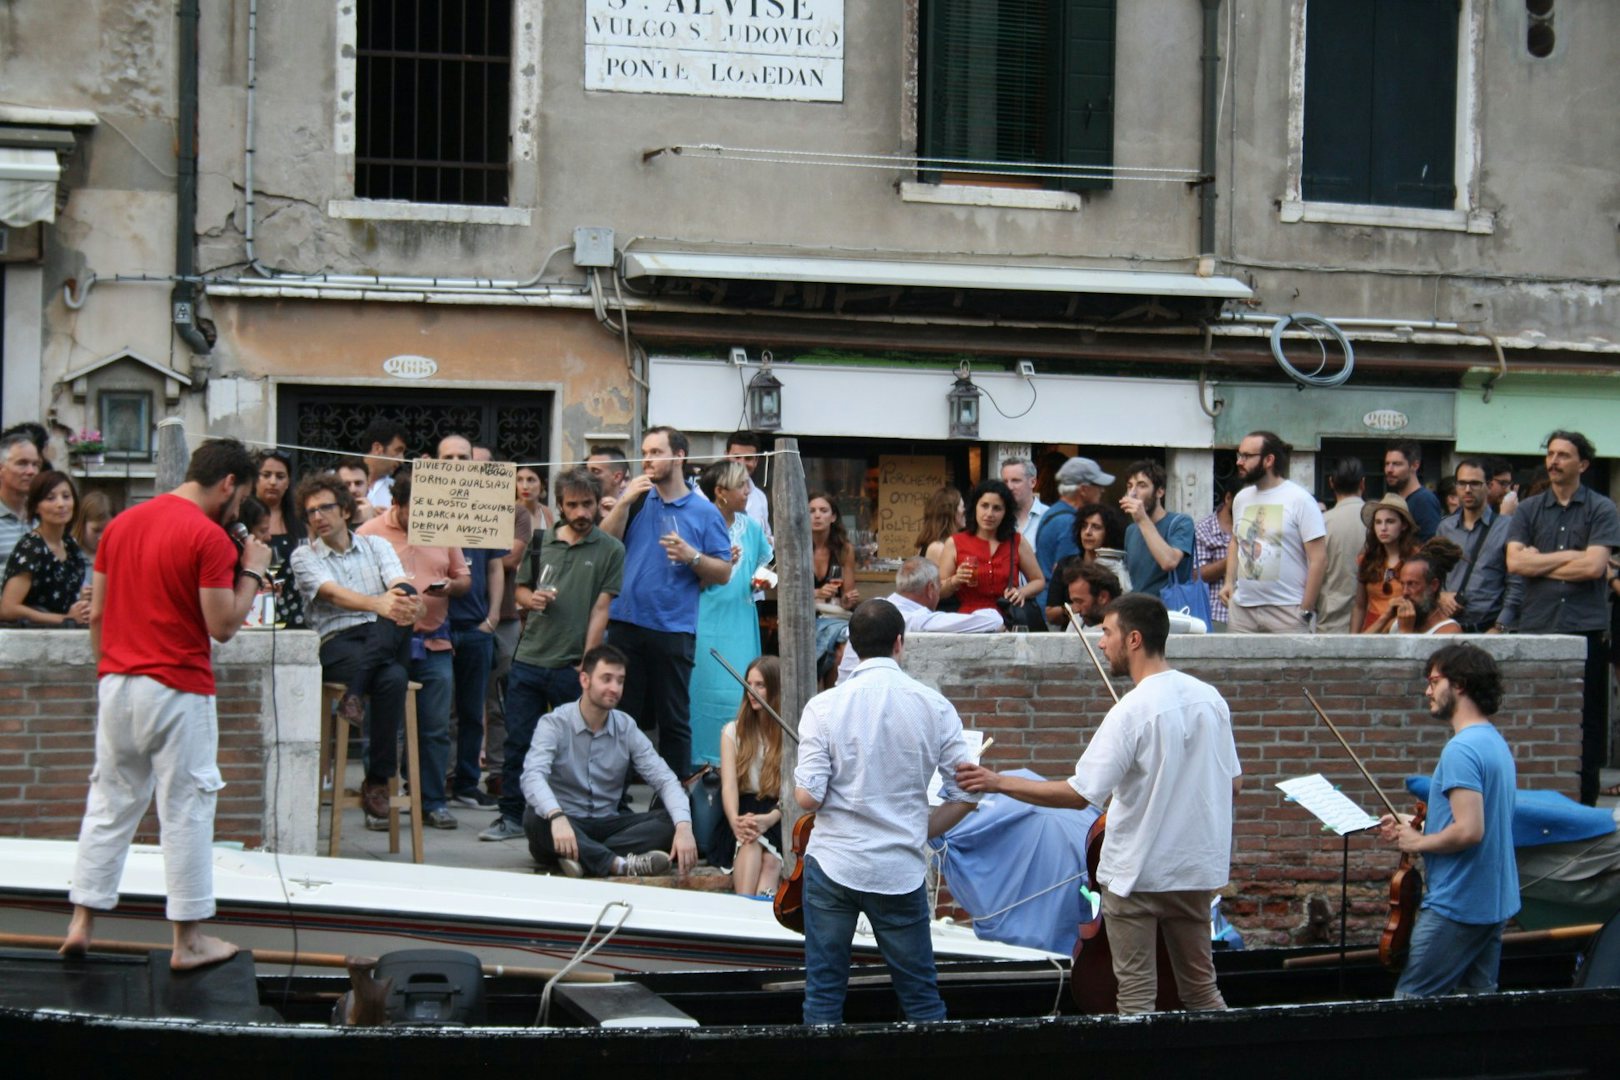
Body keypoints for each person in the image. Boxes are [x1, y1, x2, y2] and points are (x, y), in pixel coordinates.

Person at [957, 593, 1241, 1015]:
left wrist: (998, 782)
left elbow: (1079, 794)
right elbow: (1234, 784)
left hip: (1137, 877)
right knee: (1201, 991)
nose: (1101, 641)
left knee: (1137, 999)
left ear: (1134, 639)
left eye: (1107, 632)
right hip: (1194, 874)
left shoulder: (1132, 711)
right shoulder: (1210, 699)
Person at [61, 437, 270, 971]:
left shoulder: (123, 525)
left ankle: (82, 921)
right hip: (177, 686)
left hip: (117, 681)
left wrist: (107, 670)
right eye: (240, 494)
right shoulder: (209, 536)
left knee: (109, 803)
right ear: (228, 484)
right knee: (187, 809)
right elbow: (222, 626)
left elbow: (99, 613)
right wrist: (251, 571)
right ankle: (188, 940)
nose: (237, 507)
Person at [794, 599, 980, 1024]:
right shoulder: (933, 706)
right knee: (921, 997)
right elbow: (966, 794)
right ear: (900, 643)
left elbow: (808, 797)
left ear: (852, 647)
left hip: (834, 864)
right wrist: (920, 828)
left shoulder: (822, 707)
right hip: (898, 867)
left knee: (823, 993)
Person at [480, 468, 623, 841]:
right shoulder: (541, 541)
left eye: (587, 504)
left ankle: (576, 816)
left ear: (596, 504)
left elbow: (601, 609)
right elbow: (520, 593)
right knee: (518, 741)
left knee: (577, 747)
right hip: (529, 657)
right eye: (572, 504)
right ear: (559, 506)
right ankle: (511, 815)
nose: (580, 511)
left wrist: (588, 663)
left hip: (571, 664)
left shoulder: (610, 550)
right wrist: (533, 600)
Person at [1378, 643, 1518, 998]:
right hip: (1492, 900)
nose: (1428, 690)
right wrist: (1417, 822)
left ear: (1460, 683)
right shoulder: (1492, 740)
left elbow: (1470, 830)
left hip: (1458, 904)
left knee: (1410, 1003)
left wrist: (1417, 843)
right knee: (1476, 1006)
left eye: (1434, 680)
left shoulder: (1462, 749)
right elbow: (1473, 819)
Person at [599, 426, 732, 780]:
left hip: (673, 627)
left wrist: (692, 556)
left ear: (679, 456)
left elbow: (723, 572)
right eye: (645, 452)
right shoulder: (639, 498)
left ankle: (674, 804)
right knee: (620, 716)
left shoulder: (704, 513)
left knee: (674, 719)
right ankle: (615, 799)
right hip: (626, 622)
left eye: (656, 452)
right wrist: (625, 500)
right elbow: (605, 544)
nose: (648, 459)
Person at [290, 473, 422, 821]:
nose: (318, 517)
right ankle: (378, 779)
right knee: (392, 676)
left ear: (346, 511)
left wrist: (404, 602)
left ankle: (356, 696)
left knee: (406, 597)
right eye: (311, 512)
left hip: (381, 634)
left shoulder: (377, 545)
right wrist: (376, 604)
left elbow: (398, 586)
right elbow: (331, 592)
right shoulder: (304, 557)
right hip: (338, 643)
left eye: (325, 508)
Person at [1506, 430, 1620, 806]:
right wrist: (1572, 556)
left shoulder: (1601, 508)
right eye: (1551, 454)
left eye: (1564, 455)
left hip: (1584, 628)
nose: (1553, 461)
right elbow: (1515, 562)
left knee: (1586, 726)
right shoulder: (1529, 509)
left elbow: (1595, 568)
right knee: (1533, 715)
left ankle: (1584, 808)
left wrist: (1540, 563)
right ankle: (1535, 802)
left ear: (1583, 464)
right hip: (1538, 625)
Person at [520, 643, 698, 878]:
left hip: (609, 823)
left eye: (620, 680)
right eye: (606, 679)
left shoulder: (626, 726)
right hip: (565, 820)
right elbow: (532, 776)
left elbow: (664, 779)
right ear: (585, 680)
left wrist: (684, 827)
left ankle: (580, 857)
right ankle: (619, 865)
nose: (614, 688)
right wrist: (557, 815)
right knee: (535, 817)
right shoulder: (555, 723)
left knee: (671, 820)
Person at [358, 468, 471, 829]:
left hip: (433, 641)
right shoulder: (368, 533)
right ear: (396, 504)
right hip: (387, 647)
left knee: (435, 728)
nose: (424, 517)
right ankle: (379, 805)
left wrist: (449, 588)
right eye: (415, 510)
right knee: (382, 727)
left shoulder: (443, 527)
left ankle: (432, 802)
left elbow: (465, 578)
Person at [436, 435, 505, 810]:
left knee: (471, 711)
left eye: (464, 457)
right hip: (438, 627)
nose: (457, 463)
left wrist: (493, 617)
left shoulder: (488, 503)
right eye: (449, 457)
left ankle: (465, 783)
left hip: (477, 626)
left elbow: (495, 565)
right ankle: (435, 783)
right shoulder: (427, 503)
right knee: (436, 714)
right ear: (435, 461)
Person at [690, 460, 773, 766]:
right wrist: (715, 564)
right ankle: (699, 766)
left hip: (740, 619)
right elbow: (685, 583)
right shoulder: (696, 525)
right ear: (721, 492)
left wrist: (760, 581)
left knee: (740, 691)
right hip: (703, 619)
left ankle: (742, 763)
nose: (747, 491)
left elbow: (768, 567)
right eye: (741, 485)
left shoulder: (751, 527)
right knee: (701, 691)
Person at [1221, 431, 1327, 634]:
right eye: (1239, 455)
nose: (1239, 462)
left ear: (1269, 460)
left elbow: (1319, 559)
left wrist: (1306, 609)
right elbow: (1236, 541)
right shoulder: (1242, 498)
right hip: (1243, 611)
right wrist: (1228, 582)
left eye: (1247, 456)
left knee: (1294, 667)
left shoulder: (1300, 499)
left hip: (1287, 611)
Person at [834, 557, 1003, 684]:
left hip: (845, 690)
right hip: (863, 698)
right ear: (931, 589)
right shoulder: (914, 618)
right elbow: (992, 621)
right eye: (939, 587)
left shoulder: (875, 606)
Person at [715, 656, 786, 896]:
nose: (751, 691)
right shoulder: (732, 731)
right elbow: (729, 786)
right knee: (750, 843)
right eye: (749, 684)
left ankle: (756, 918)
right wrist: (735, 819)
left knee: (771, 861)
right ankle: (745, 910)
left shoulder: (788, 732)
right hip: (741, 808)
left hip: (778, 812)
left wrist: (770, 818)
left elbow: (792, 791)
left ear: (775, 689)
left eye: (761, 685)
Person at [937, 478, 1045, 621]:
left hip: (1008, 618)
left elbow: (1038, 580)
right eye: (984, 506)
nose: (989, 514)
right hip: (969, 621)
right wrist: (956, 580)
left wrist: (1022, 592)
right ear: (975, 506)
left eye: (997, 508)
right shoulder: (955, 542)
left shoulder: (1016, 541)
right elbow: (938, 590)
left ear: (1006, 512)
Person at [1436, 458, 1520, 634]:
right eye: (1462, 483)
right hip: (1450, 626)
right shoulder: (1445, 528)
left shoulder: (1507, 527)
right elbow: (1434, 574)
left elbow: (1516, 584)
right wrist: (1441, 596)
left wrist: (1500, 627)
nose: (1467, 490)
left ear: (1489, 486)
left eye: (1475, 483)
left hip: (1489, 627)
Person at [2, 470, 90, 626]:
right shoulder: (31, 548)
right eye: (50, 498)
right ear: (36, 507)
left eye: (66, 496)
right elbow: (7, 608)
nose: (60, 504)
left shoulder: (70, 544)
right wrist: (64, 619)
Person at [1119, 459, 1193, 601]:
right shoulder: (1131, 530)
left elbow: (1169, 562)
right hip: (1136, 611)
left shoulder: (1181, 522)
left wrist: (1142, 519)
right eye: (1129, 486)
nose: (1133, 493)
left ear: (1160, 491)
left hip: (1168, 613)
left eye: (1142, 486)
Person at [1043, 502, 1125, 629]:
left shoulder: (1119, 566)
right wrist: (1075, 607)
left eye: (1096, 527)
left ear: (1108, 532)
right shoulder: (1066, 564)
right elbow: (1050, 613)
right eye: (1084, 526)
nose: (1088, 532)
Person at [252, 449, 307, 629]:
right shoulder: (241, 517)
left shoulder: (301, 520)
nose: (273, 482)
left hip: (295, 609)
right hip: (253, 607)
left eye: (280, 476)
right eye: (266, 475)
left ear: (288, 482)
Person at [1035, 457, 1115, 579]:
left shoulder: (1052, 512)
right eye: (1097, 485)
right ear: (1083, 489)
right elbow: (1069, 574)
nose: (1102, 490)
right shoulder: (1069, 522)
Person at [1352, 493, 1421, 634]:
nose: (1383, 528)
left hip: (1405, 627)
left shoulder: (1417, 558)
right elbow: (1359, 606)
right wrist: (1353, 640)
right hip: (1373, 629)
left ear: (1403, 525)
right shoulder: (1367, 559)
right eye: (1378, 522)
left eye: (1390, 521)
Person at [1373, 538, 1465, 636]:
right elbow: (1359, 647)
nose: (1405, 592)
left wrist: (1405, 632)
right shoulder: (1398, 622)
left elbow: (1409, 651)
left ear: (1434, 585)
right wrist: (1385, 617)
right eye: (1402, 584)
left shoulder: (1449, 631)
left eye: (1412, 584)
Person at [1315, 458, 1366, 634]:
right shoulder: (1379, 522)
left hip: (1331, 619)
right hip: (1371, 620)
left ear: (1331, 482)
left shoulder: (1322, 523)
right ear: (1362, 483)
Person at [1193, 479, 1235, 629]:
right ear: (1228, 498)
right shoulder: (1204, 528)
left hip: (1253, 615)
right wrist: (1233, 556)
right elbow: (1197, 575)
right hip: (1216, 615)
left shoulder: (1256, 527)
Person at [0, 430, 44, 569]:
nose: (31, 471)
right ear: (1, 468)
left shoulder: (42, 516)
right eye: (22, 463)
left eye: (35, 464)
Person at [1384, 441, 1443, 542]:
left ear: (1415, 465)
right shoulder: (1397, 499)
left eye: (1397, 464)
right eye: (1387, 464)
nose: (1389, 470)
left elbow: (1431, 546)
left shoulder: (1424, 500)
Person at [725, 431, 772, 540]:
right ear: (726, 457)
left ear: (756, 461)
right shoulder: (705, 493)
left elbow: (767, 537)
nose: (742, 463)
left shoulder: (760, 497)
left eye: (748, 458)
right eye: (737, 457)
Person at [359, 417, 409, 512]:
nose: (402, 460)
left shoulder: (397, 490)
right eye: (398, 451)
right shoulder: (340, 481)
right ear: (377, 448)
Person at [1058, 560, 1122, 628]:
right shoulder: (1078, 620)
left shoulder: (1126, 629)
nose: (1075, 610)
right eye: (1073, 602)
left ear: (1103, 597)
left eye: (1079, 601)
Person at [1000, 457, 1047, 546]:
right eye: (1005, 482)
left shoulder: (1048, 516)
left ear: (1033, 482)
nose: (1009, 487)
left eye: (1016, 481)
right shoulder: (998, 517)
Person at [911, 486, 965, 564]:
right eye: (962, 507)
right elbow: (946, 576)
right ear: (950, 513)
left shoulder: (937, 544)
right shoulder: (938, 547)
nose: (965, 511)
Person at [73, 489, 115, 566]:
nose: (101, 537)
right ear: (82, 525)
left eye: (108, 531)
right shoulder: (70, 555)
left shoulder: (115, 555)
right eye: (96, 530)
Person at [586, 447, 630, 516]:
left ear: (617, 477)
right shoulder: (581, 508)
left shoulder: (633, 509)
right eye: (586, 471)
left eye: (595, 471)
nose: (587, 476)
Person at [333, 456, 377, 525]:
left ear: (368, 483)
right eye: (347, 484)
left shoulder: (381, 520)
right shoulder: (329, 521)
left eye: (358, 483)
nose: (353, 489)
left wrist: (370, 520)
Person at [515, 464, 553, 533]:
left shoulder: (546, 512)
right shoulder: (509, 512)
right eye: (519, 480)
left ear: (542, 484)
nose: (525, 486)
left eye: (530, 480)